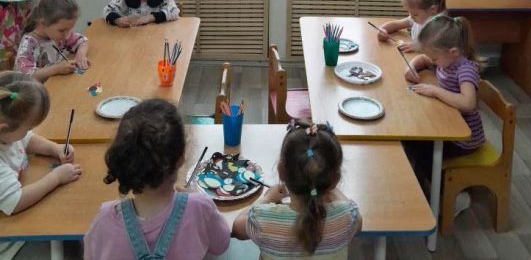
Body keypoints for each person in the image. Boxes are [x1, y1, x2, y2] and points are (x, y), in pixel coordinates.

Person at [84, 99, 230, 260]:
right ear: (181, 158)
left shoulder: (104, 220)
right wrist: (193, 197)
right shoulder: (200, 207)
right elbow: (221, 244)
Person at [232, 120, 361, 259]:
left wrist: (267, 198)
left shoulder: (262, 219)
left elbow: (237, 229)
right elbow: (357, 220)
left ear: (281, 172)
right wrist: (327, 186)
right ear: (335, 179)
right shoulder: (348, 217)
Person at [405, 14, 485, 215]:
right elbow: (423, 58)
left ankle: (455, 197)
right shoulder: (446, 59)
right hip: (446, 123)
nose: (432, 61)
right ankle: (421, 188)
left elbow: (468, 103)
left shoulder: (465, 70)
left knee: (424, 153)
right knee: (409, 141)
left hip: (464, 139)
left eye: (435, 59)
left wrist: (436, 91)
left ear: (454, 51)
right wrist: (411, 67)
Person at [0, 71, 82, 217]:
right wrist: (56, 178)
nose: (29, 131)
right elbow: (15, 202)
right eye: (28, 128)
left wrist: (54, 148)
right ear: (3, 128)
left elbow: (27, 140)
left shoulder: (8, 134)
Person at [14, 0, 89, 82]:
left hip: (56, 84)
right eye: (62, 30)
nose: (67, 35)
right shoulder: (29, 44)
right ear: (43, 23)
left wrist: (80, 55)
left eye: (69, 29)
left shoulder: (59, 35)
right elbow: (25, 77)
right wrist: (56, 69)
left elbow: (82, 41)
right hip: (37, 90)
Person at [377, 0, 447, 51]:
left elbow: (439, 50)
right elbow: (395, 25)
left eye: (415, 14)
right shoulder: (418, 18)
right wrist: (383, 30)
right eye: (409, 12)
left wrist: (418, 46)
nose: (411, 17)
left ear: (432, 9)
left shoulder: (439, 26)